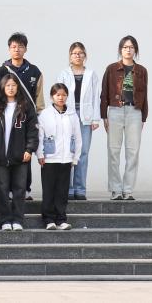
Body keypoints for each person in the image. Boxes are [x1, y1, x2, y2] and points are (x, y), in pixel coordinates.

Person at [0, 33, 44, 199]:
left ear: (25, 49)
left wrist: (38, 115)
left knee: (25, 154)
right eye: (13, 47)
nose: (17, 50)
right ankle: (7, 190)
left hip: (27, 116)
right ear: (9, 49)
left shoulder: (34, 71)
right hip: (6, 116)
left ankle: (25, 189)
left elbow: (39, 96)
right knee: (6, 154)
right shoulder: (1, 71)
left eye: (20, 46)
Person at [101, 35, 147, 201]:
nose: (128, 50)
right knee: (113, 151)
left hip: (135, 112)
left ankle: (128, 190)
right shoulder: (111, 69)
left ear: (135, 50)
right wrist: (104, 116)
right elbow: (104, 93)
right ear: (120, 50)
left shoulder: (142, 70)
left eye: (131, 47)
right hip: (115, 111)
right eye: (125, 47)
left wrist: (143, 117)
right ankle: (116, 189)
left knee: (133, 152)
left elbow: (145, 94)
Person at [0, 74, 38, 231]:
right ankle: (4, 219)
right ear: (3, 87)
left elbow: (33, 130)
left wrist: (29, 149)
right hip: (1, 155)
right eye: (8, 85)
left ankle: (17, 219)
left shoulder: (26, 106)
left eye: (13, 85)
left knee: (19, 189)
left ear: (18, 87)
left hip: (21, 154)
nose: (10, 88)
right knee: (2, 189)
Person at [55, 42, 101, 200]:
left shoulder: (91, 74)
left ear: (85, 56)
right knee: (68, 151)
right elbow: (57, 95)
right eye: (74, 53)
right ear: (70, 56)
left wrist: (95, 118)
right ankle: (68, 189)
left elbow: (96, 97)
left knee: (83, 152)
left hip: (85, 116)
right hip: (67, 115)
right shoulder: (63, 74)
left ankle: (80, 189)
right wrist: (58, 115)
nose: (78, 55)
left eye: (81, 53)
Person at [37, 84, 83, 230]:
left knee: (62, 191)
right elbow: (40, 136)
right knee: (49, 190)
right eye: (58, 95)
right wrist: (40, 154)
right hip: (49, 159)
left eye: (63, 95)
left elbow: (78, 137)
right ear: (52, 97)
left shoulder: (72, 115)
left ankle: (61, 219)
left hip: (66, 158)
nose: (61, 98)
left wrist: (75, 157)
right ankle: (48, 219)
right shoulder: (45, 114)